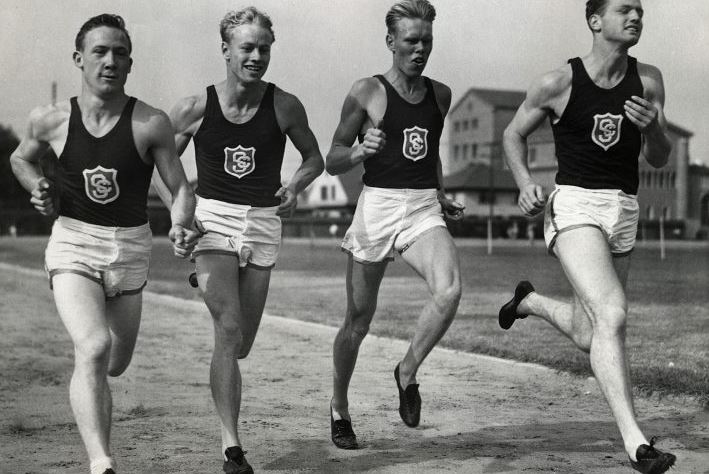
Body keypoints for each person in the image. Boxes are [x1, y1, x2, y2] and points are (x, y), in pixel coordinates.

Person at [9, 14, 198, 474]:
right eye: (100, 51)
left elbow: (179, 187)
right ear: (79, 59)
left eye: (120, 53)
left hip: (130, 248)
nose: (110, 61)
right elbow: (20, 157)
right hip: (73, 242)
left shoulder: (150, 122)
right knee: (92, 347)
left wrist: (180, 222)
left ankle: (99, 397)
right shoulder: (50, 119)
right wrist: (36, 184)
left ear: (130, 63)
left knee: (114, 361)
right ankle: (102, 462)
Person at [499, 0, 675, 472]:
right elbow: (512, 135)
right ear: (595, 20)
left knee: (587, 330)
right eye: (624, 9)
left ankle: (529, 302)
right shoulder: (559, 82)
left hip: (624, 207)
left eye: (640, 9)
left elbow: (659, 158)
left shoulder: (650, 80)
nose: (636, 16)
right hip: (574, 205)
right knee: (612, 315)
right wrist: (523, 184)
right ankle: (637, 442)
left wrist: (653, 125)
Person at [163, 8, 324, 473]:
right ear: (226, 50)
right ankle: (232, 446)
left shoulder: (285, 105)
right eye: (247, 48)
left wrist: (295, 186)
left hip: (263, 222)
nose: (256, 57)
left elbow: (313, 157)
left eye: (264, 49)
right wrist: (182, 210)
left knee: (242, 343)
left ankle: (210, 281)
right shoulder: (194, 108)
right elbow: (163, 169)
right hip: (212, 219)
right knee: (227, 329)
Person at [326, 0, 464, 450]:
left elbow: (430, 150)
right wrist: (359, 152)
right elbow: (332, 159)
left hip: (423, 206)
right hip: (378, 207)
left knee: (449, 290)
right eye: (411, 41)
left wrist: (441, 192)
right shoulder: (367, 91)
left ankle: (407, 371)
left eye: (427, 41)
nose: (420, 49)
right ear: (391, 42)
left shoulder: (440, 94)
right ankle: (339, 408)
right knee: (358, 322)